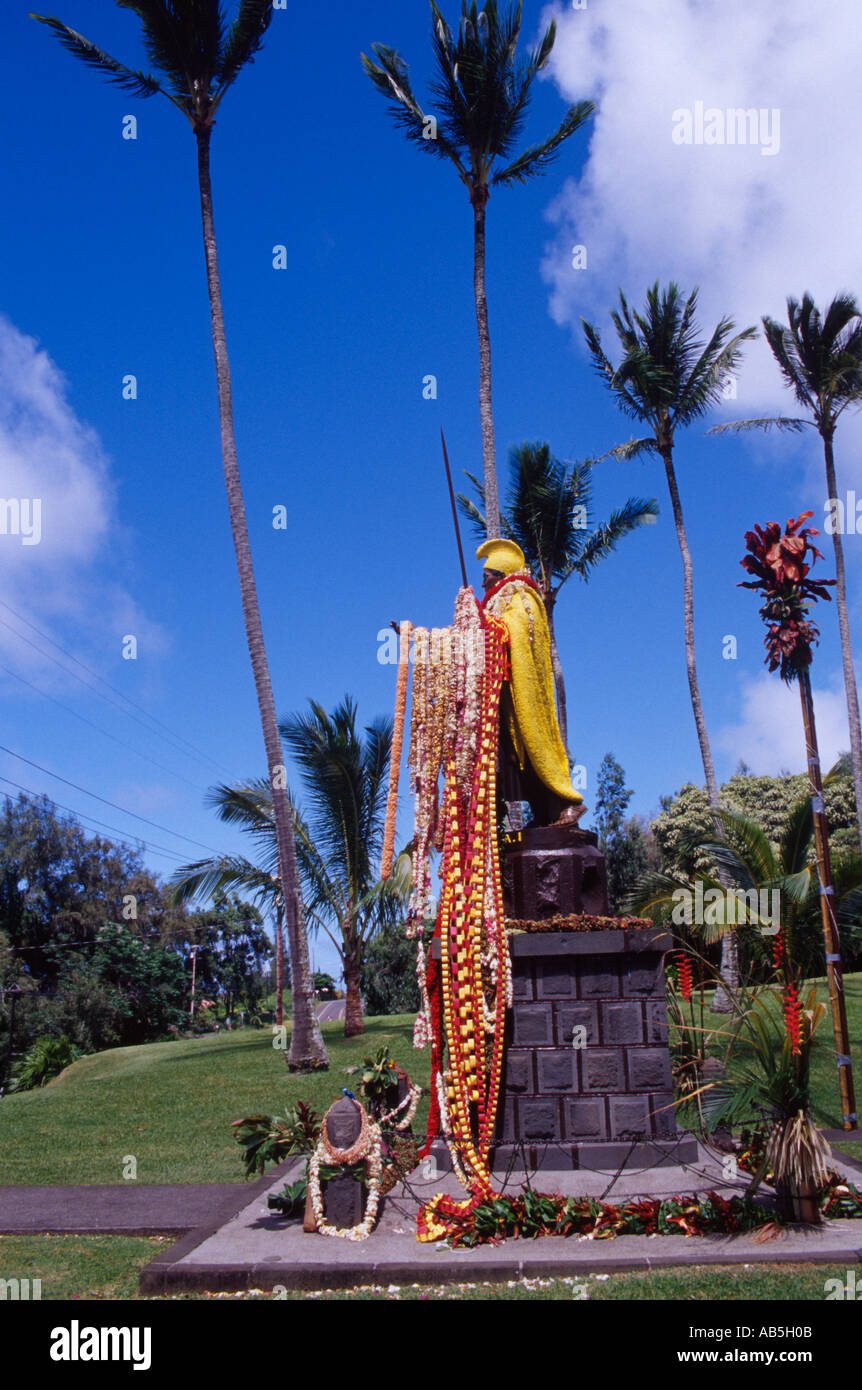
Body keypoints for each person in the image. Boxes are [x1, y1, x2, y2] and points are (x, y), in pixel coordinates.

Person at [477, 538, 585, 828]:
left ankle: (569, 804)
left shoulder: (521, 596)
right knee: (514, 757)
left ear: (500, 572)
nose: (483, 579)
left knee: (537, 743)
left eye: (487, 573)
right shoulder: (495, 602)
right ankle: (542, 813)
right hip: (505, 694)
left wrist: (488, 625)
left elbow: (519, 633)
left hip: (524, 692)